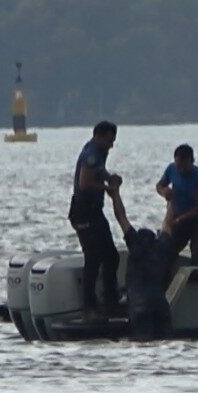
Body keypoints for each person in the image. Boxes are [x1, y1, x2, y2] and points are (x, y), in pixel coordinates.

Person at [68, 121, 122, 319]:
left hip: (94, 212)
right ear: (99, 137)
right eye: (109, 140)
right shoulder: (91, 153)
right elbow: (85, 183)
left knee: (111, 256)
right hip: (84, 212)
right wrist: (107, 189)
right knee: (93, 257)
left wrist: (110, 177)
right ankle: (88, 306)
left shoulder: (100, 152)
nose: (111, 145)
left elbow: (98, 172)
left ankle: (110, 301)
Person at [107, 182, 173, 341]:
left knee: (143, 348)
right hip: (161, 307)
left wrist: (115, 195)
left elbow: (120, 217)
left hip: (139, 307)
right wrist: (171, 201)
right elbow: (168, 223)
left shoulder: (135, 245)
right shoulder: (161, 246)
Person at [156, 144, 198, 266]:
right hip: (179, 215)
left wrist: (179, 219)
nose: (181, 170)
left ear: (192, 161)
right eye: (178, 166)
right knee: (167, 251)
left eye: (184, 166)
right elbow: (159, 185)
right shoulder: (171, 169)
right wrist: (164, 191)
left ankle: (197, 271)